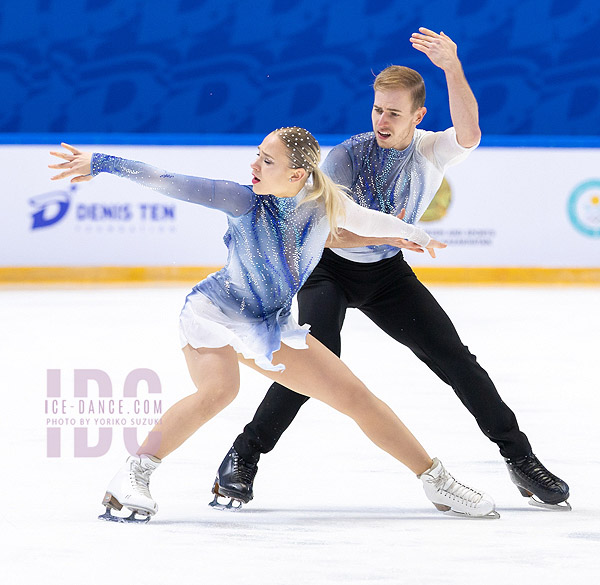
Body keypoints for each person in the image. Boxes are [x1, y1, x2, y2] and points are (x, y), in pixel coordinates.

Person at [48, 127, 499, 521]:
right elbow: (169, 182)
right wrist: (102, 162)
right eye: (258, 155)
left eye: (267, 159)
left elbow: (359, 222)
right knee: (217, 392)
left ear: (297, 174)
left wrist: (411, 234)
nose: (255, 164)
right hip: (215, 312)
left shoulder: (324, 203)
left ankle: (435, 480)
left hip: (267, 324)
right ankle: (133, 473)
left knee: (356, 397)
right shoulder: (243, 200)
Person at [211, 28, 571, 512]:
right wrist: (390, 234)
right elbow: (332, 233)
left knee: (455, 359)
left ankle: (521, 459)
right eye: (378, 108)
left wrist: (453, 68)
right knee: (317, 360)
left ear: (417, 116)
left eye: (394, 112)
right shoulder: (343, 157)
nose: (383, 119)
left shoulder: (430, 151)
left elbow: (470, 135)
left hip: (385, 276)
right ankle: (243, 456)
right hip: (328, 272)